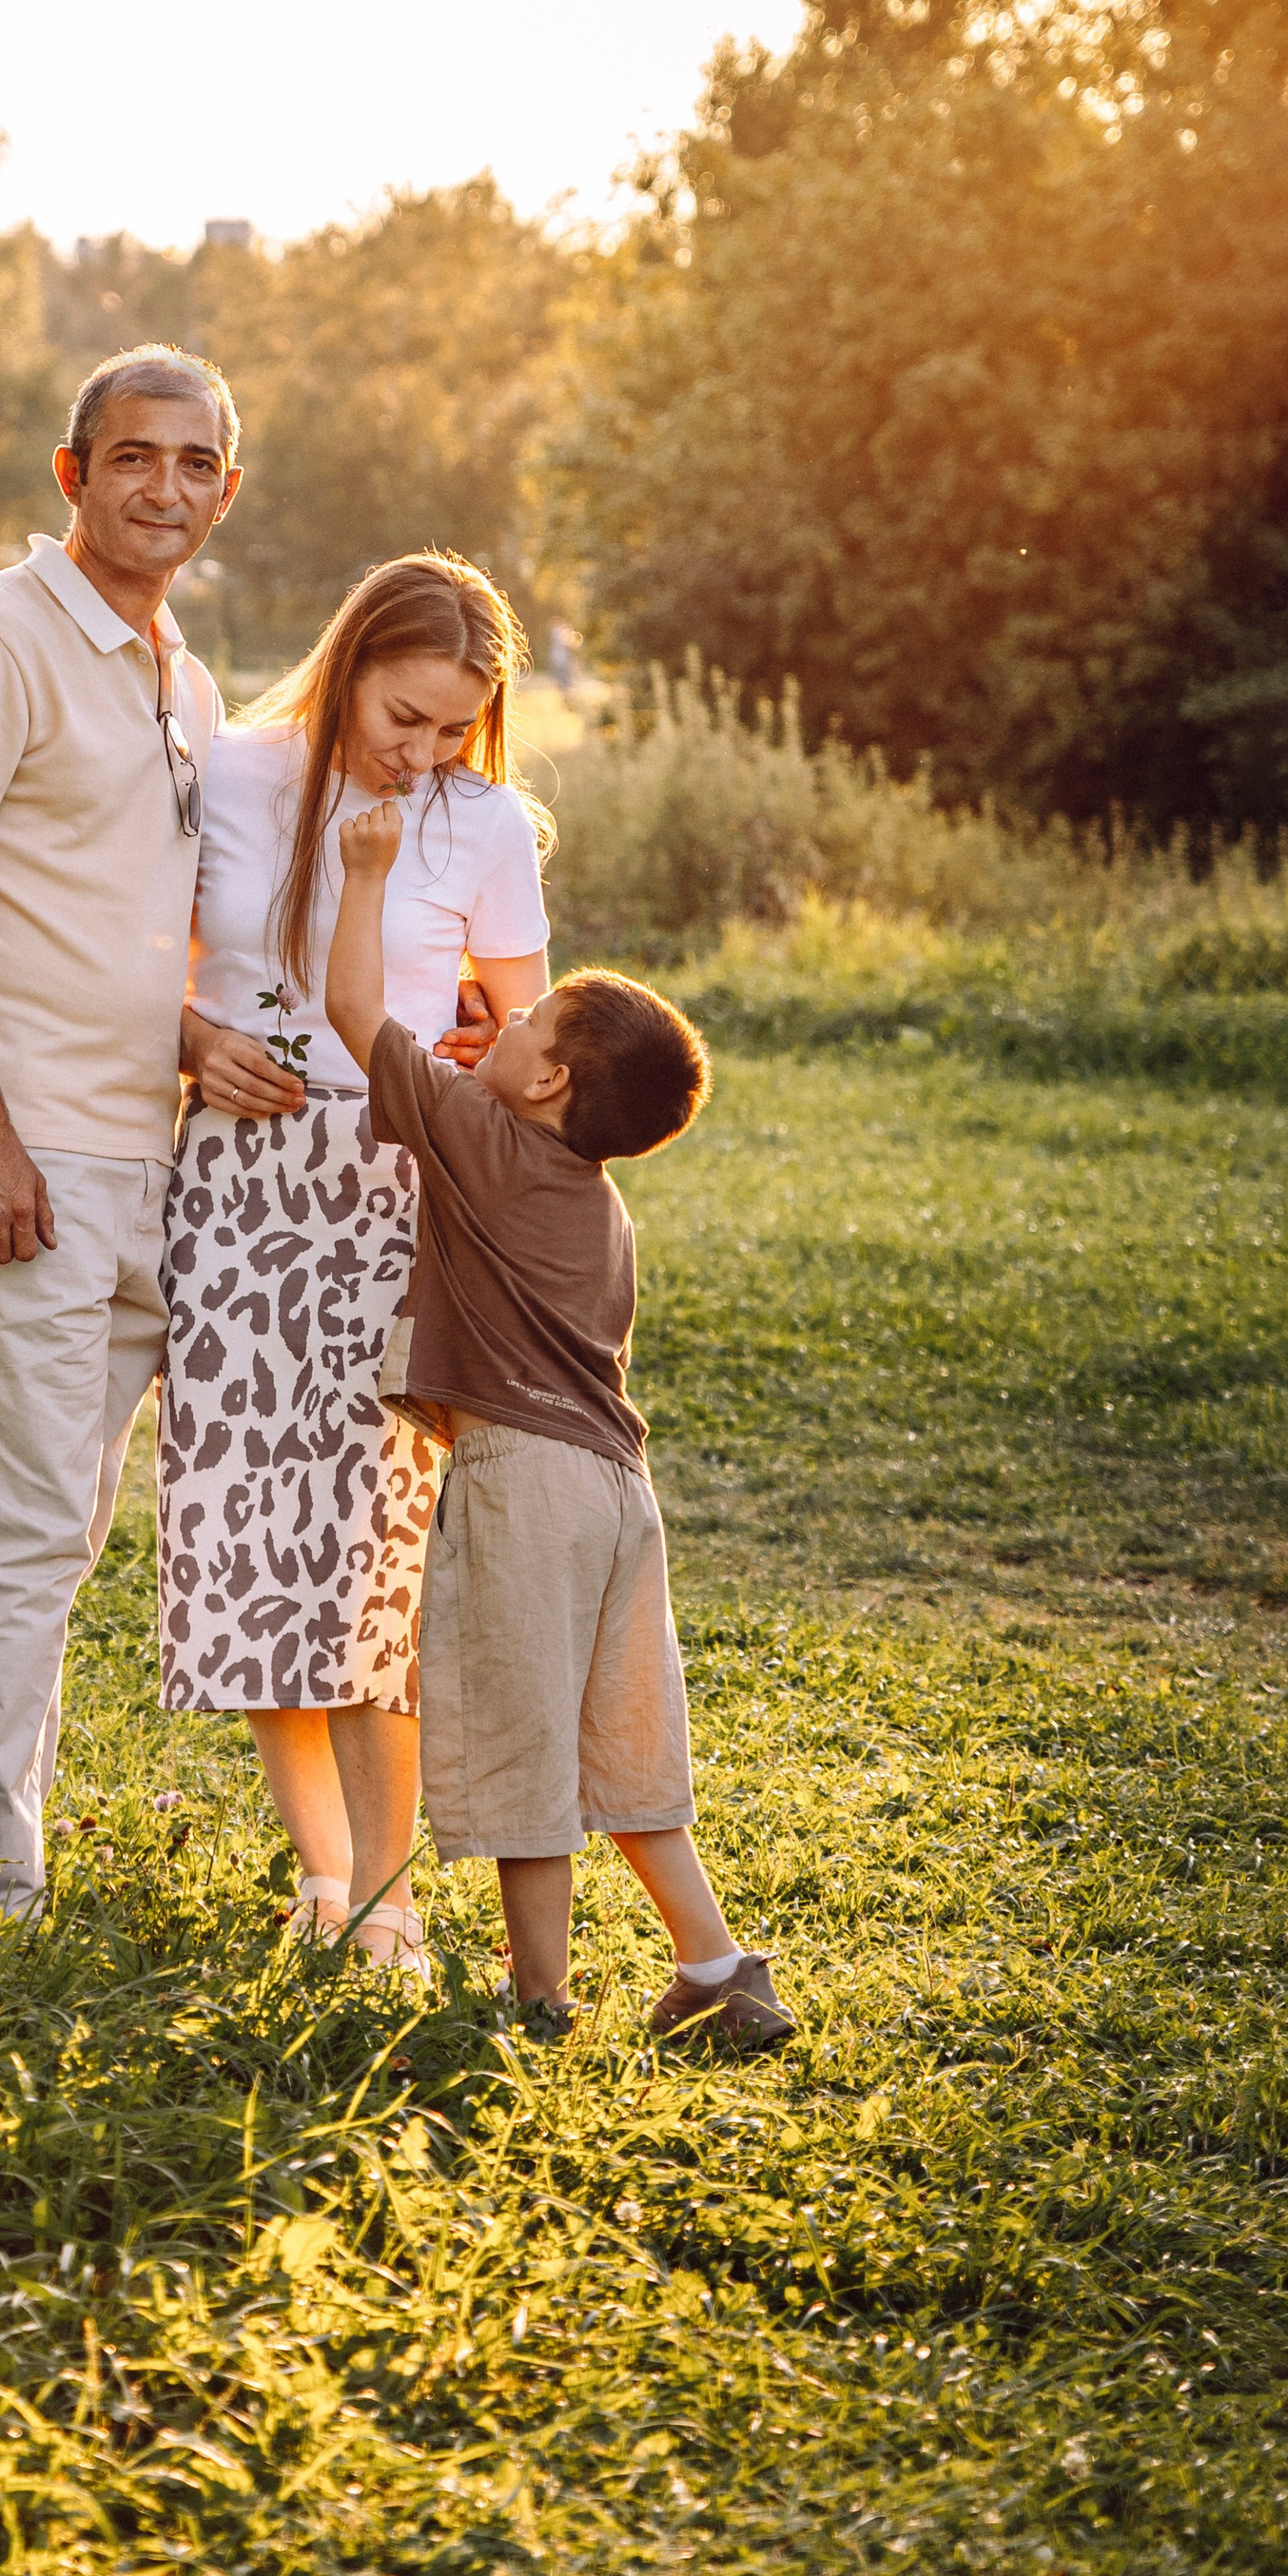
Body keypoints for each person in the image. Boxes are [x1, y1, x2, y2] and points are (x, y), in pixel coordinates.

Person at [322, 806, 795, 2047]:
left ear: (544, 1084)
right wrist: (509, 1055)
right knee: (623, 1745)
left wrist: (366, 872)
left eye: (524, 1018)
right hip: (618, 1493)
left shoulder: (478, 1136)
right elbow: (515, 1085)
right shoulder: (601, 1205)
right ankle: (715, 1967)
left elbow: (353, 1008)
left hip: (521, 1482)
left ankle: (537, 2005)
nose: (502, 1013)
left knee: (523, 1747)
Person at [0, 343, 238, 1906]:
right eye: (133, 456)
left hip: (145, 1156)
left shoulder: (183, 680)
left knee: (61, 1522)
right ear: (74, 475)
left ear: (226, 492)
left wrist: (201, 1041)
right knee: (25, 1518)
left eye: (195, 463)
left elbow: (115, 922)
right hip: (18, 1154)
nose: (164, 487)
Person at [159, 554, 551, 1979]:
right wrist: (196, 1045)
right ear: (347, 667)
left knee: (380, 1550)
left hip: (395, 1194)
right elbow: (141, 961)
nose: (422, 751)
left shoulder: (482, 821)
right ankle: (321, 1875)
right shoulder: (226, 771)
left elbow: (528, 1035)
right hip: (237, 1188)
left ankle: (391, 1894)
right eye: (403, 716)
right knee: (257, 1531)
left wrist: (481, 1061)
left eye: (452, 727)